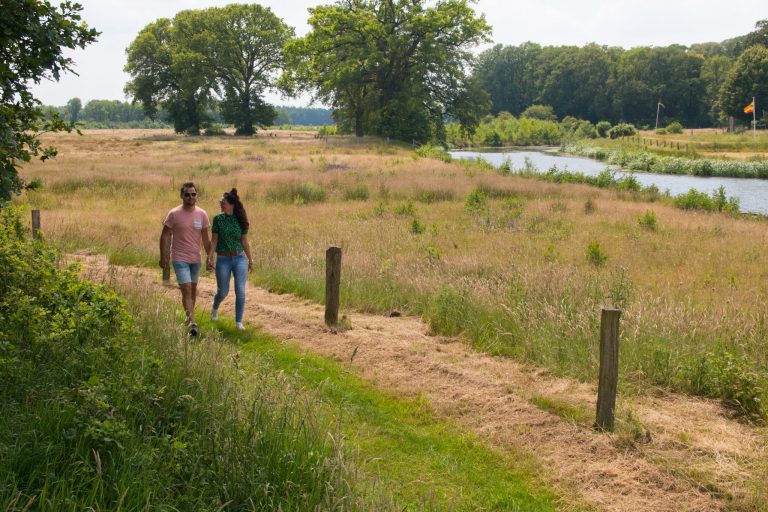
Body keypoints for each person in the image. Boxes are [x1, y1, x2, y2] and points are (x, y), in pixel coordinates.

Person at [159, 182, 211, 336]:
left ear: (196, 196)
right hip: (179, 257)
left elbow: (206, 239)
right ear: (181, 196)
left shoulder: (202, 214)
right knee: (186, 289)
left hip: (195, 259)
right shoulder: (174, 214)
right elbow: (164, 236)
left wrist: (210, 257)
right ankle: (193, 323)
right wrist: (163, 257)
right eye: (187, 194)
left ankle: (189, 318)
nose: (190, 197)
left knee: (193, 290)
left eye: (193, 194)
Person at [206, 188, 253, 330]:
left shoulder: (240, 220)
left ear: (231, 204)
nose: (221, 203)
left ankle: (238, 322)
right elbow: (214, 241)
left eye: (223, 202)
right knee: (223, 292)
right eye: (221, 201)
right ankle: (215, 308)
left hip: (239, 258)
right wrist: (209, 257)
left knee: (240, 290)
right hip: (223, 259)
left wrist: (250, 260)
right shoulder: (218, 219)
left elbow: (244, 241)